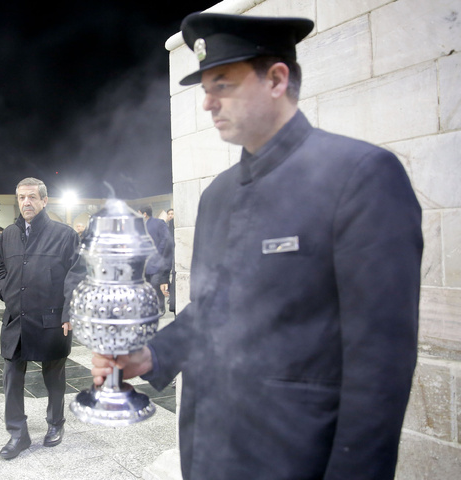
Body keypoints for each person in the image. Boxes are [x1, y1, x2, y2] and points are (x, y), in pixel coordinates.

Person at [92, 12, 423, 480]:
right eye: (205, 88)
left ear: (276, 78)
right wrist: (151, 355)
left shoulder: (359, 176)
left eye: (222, 84)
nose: (207, 103)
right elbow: (211, 311)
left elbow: (380, 367)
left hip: (296, 456)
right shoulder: (216, 195)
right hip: (210, 453)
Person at [0, 177, 80, 460]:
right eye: (21, 197)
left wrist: (69, 311)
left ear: (44, 200)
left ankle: (56, 424)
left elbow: (78, 275)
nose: (26, 202)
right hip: (16, 319)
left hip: (51, 318)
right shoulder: (7, 234)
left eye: (32, 197)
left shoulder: (64, 234)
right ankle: (18, 434)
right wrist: (5, 290)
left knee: (54, 375)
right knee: (11, 376)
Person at [138, 205, 172, 314]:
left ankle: (161, 307)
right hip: (146, 264)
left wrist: (158, 251)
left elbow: (166, 239)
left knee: (156, 284)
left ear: (144, 214)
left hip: (157, 262)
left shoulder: (159, 223)